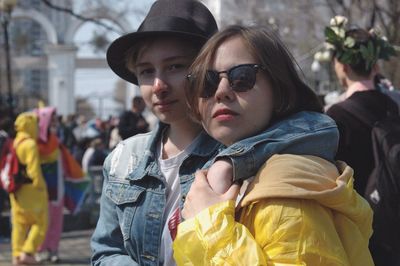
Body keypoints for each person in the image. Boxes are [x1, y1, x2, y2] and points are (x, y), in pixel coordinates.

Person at [172, 25, 374, 265]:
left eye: (242, 77)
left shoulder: (287, 192)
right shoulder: (237, 174)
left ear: (279, 88)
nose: (221, 91)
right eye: (207, 81)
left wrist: (210, 227)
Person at [90, 1, 221, 265]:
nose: (158, 85)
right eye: (147, 71)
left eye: (175, 66)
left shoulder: (239, 154)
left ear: (208, 71)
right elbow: (106, 252)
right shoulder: (123, 159)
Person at [324, 17, 398, 265]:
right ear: (375, 66)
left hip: (361, 232)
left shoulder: (335, 116)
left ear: (342, 66)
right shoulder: (395, 106)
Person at [10, 112, 48, 265]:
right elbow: (33, 171)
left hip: (16, 190)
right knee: (41, 222)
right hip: (31, 190)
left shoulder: (14, 142)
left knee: (19, 224)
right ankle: (27, 251)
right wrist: (41, 187)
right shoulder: (30, 144)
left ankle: (17, 254)